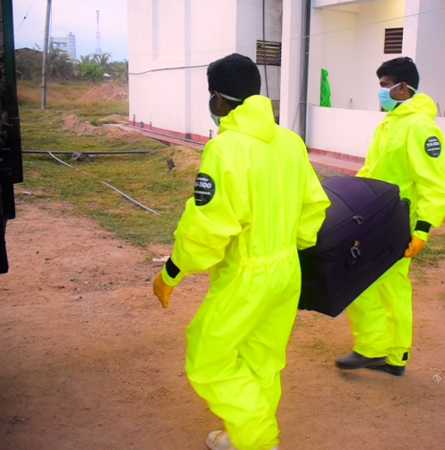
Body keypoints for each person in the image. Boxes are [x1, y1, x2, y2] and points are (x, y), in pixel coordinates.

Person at [152, 53, 330, 450]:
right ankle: (243, 436)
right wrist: (292, 247)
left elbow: (208, 225)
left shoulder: (225, 149)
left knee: (207, 357)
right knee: (262, 358)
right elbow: (313, 206)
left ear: (218, 99)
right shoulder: (290, 142)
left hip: (246, 276)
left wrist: (172, 271)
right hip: (287, 271)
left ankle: (258, 439)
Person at [335, 57, 445, 376]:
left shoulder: (419, 127)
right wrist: (351, 196)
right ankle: (390, 353)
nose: (381, 92)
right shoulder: (391, 122)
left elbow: (435, 185)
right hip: (376, 215)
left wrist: (422, 230)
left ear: (402, 87)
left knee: (371, 282)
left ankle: (379, 350)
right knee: (381, 285)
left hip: (397, 221)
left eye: (384, 85)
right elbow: (373, 169)